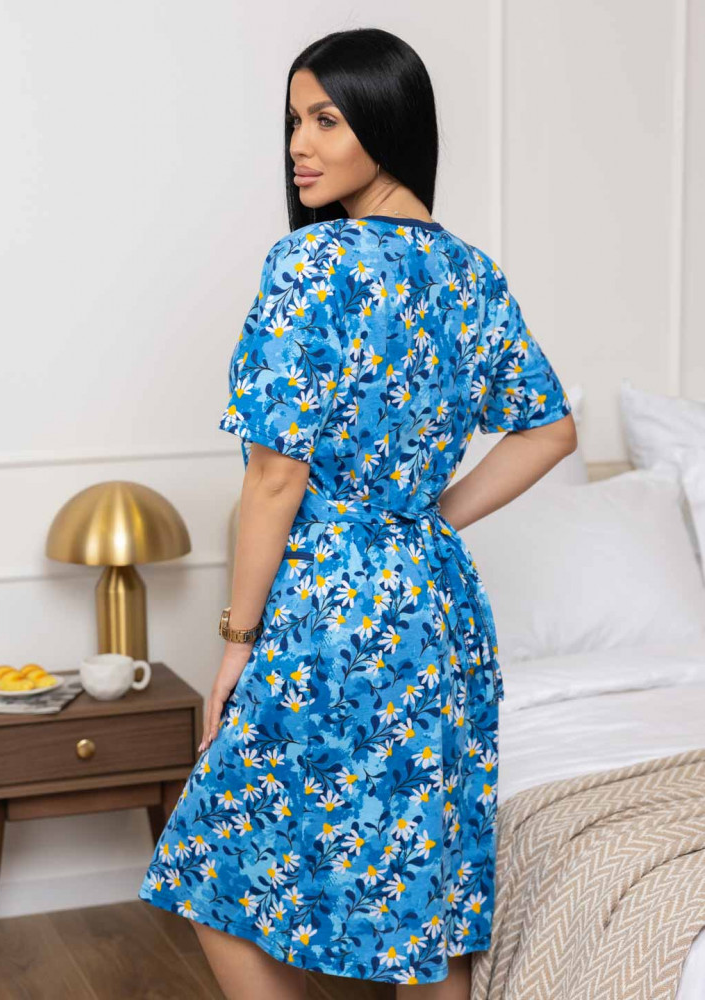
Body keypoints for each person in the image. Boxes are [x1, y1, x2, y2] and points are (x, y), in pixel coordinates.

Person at [138, 25, 577, 999]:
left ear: (387, 122)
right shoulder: (470, 273)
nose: (299, 144)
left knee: (211, 861)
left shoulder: (312, 264)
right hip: (437, 608)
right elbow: (549, 431)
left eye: (326, 119)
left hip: (330, 611)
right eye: (294, 120)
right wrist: (425, 520)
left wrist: (236, 641)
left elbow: (274, 480)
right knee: (429, 891)